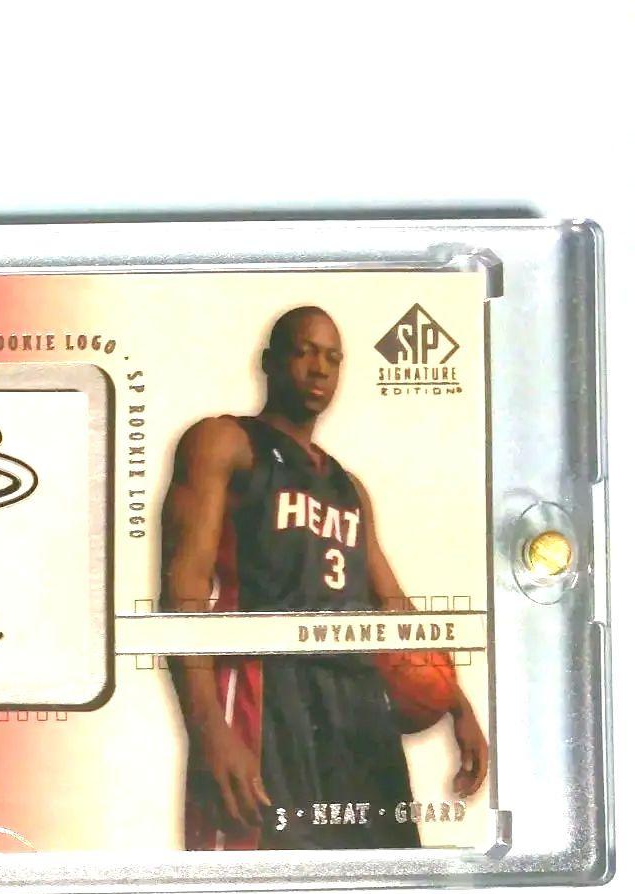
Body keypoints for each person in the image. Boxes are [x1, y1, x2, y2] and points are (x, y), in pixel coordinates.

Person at [160, 306, 488, 849]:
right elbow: (182, 593)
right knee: (263, 878)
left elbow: (393, 607)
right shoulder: (224, 443)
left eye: (333, 359)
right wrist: (210, 733)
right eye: (305, 351)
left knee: (389, 873)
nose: (319, 369)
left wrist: (459, 705)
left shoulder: (347, 488)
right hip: (265, 694)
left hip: (357, 706)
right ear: (269, 361)